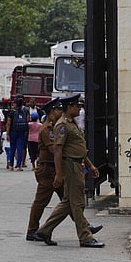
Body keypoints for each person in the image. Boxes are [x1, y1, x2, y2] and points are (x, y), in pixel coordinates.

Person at [26, 98, 102, 241]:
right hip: (48, 170)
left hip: (59, 168)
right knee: (43, 201)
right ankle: (33, 230)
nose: (60, 112)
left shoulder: (64, 125)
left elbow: (75, 148)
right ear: (51, 112)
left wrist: (89, 164)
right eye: (58, 110)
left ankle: (79, 227)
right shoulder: (49, 128)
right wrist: (60, 172)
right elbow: (55, 149)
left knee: (68, 201)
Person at [5, 98, 29, 171]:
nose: (13, 105)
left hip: (13, 132)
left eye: (14, 103)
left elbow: (8, 124)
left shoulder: (12, 113)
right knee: (20, 148)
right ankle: (19, 166)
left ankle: (11, 166)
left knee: (12, 148)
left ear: (16, 104)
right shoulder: (24, 112)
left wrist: (7, 133)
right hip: (21, 132)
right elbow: (27, 121)